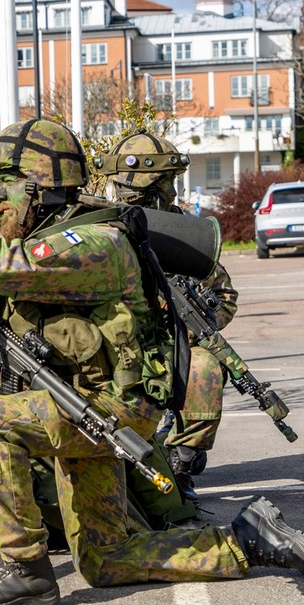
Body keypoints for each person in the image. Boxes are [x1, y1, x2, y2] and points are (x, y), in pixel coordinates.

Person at [0, 118, 304, 605]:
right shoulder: (52, 236)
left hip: (109, 407)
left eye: (2, 189)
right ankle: (250, 541)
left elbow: (0, 267)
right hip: (87, 404)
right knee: (104, 558)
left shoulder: (93, 244)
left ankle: (24, 572)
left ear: (36, 189)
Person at [93, 131, 236, 502]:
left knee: (203, 369)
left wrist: (195, 328)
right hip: (104, 349)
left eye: (172, 182)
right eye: (162, 184)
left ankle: (179, 462)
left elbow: (224, 295)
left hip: (165, 349)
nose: (171, 193)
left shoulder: (179, 232)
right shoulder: (95, 224)